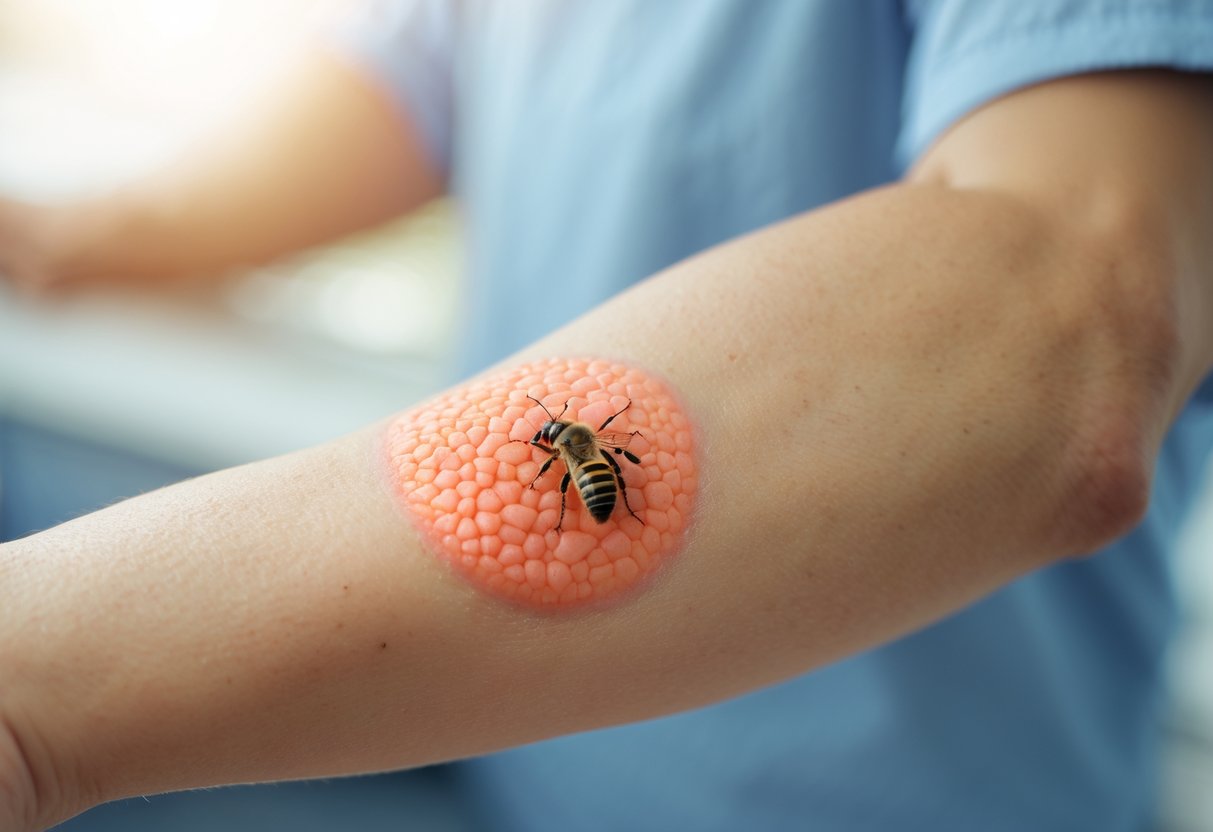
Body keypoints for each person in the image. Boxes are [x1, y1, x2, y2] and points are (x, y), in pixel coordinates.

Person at [2, 2, 1213, 830]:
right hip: (517, 765)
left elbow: (1068, 303)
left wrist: (31, 696)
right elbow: (417, 75)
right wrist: (89, 234)